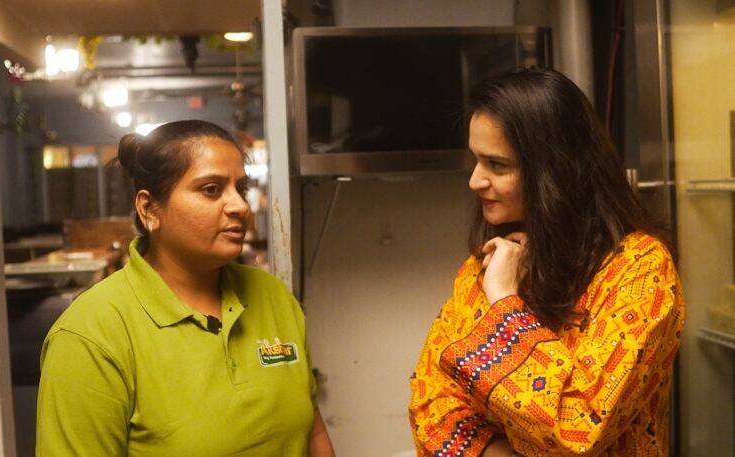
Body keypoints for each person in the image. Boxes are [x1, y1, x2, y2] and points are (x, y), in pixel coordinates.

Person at [408, 68, 684, 457]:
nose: (474, 181)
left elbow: (577, 428)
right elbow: (428, 405)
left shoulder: (639, 269)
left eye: (497, 165)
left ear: (556, 171)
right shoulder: (489, 263)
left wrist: (505, 303)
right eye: (476, 160)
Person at [36, 120, 335, 456]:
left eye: (242, 189)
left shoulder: (273, 296)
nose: (239, 206)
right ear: (149, 208)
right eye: (211, 189)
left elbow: (312, 431)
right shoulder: (91, 335)